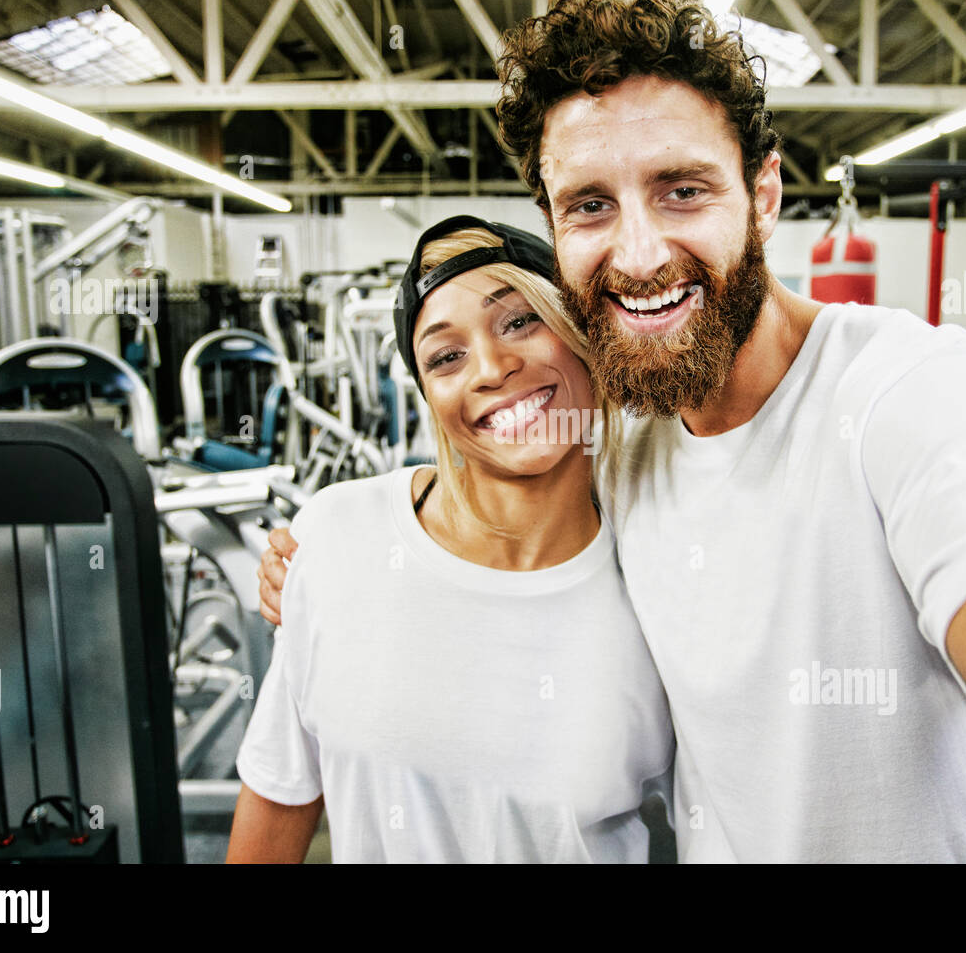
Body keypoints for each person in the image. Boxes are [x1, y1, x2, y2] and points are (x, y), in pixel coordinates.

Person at [264, 0, 966, 861]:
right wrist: (325, 561)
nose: (637, 254)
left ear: (764, 194)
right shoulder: (622, 445)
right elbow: (483, 494)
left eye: (682, 191)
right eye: (590, 205)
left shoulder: (910, 396)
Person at [227, 216, 674, 863]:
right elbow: (278, 796)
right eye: (446, 356)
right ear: (431, 397)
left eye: (520, 321)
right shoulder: (336, 538)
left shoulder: (662, 574)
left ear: (583, 334)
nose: (493, 368)